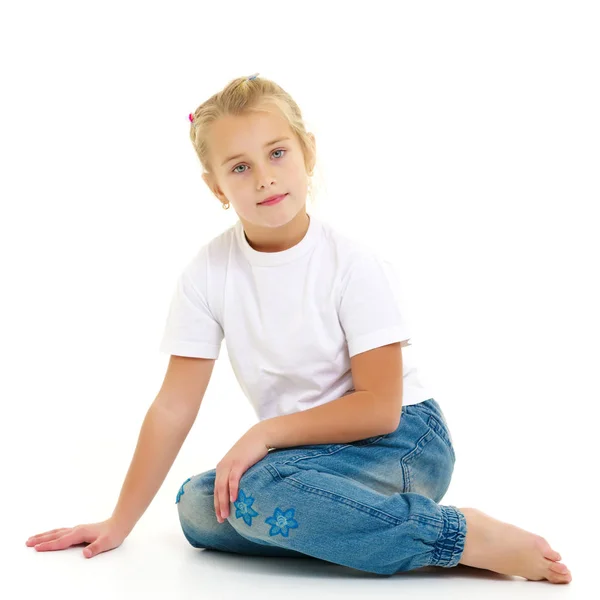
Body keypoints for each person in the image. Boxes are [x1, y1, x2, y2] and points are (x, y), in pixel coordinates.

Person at [25, 73, 571, 584]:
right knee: (198, 507)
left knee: (252, 490)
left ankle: (457, 535)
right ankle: (351, 528)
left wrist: (261, 435)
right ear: (215, 186)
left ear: (306, 152)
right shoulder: (208, 273)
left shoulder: (353, 265)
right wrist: (119, 523)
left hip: (403, 441)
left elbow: (380, 405)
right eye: (238, 167)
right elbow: (172, 406)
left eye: (277, 153)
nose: (263, 177)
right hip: (310, 456)